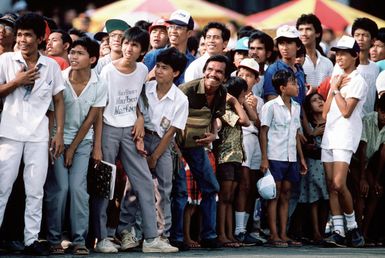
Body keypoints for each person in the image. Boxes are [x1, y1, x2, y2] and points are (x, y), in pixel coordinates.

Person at [92, 26, 178, 253]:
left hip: (131, 133)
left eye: (135, 45)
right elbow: (99, 109)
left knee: (145, 185)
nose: (129, 48)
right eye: (127, 43)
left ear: (142, 50)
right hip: (108, 130)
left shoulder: (142, 70)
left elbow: (139, 98)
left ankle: (151, 239)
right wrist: (98, 145)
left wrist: (139, 118)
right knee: (104, 186)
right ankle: (101, 238)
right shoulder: (108, 71)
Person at [0, 13, 65, 256]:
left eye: (28, 35)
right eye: (19, 35)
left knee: (35, 190)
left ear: (40, 38)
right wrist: (17, 81)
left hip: (39, 135)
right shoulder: (6, 60)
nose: (22, 40)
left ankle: (31, 240)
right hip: (9, 133)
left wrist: (57, 134)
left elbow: (59, 100)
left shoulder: (50, 66)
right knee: (2, 188)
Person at [44, 37, 107, 255]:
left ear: (92, 59)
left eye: (80, 53)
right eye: (72, 52)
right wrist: (54, 141)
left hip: (82, 142)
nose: (73, 57)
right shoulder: (60, 78)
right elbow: (52, 112)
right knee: (60, 189)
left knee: (78, 189)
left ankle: (80, 239)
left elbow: (92, 119)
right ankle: (55, 238)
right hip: (56, 140)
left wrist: (83, 147)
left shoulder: (100, 83)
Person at [171, 55, 230, 249]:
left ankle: (208, 235)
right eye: (210, 69)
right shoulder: (186, 90)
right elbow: (169, 120)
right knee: (180, 192)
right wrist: (176, 151)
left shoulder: (222, 92)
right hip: (175, 145)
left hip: (196, 146)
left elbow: (215, 117)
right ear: (204, 71)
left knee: (211, 187)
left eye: (219, 71)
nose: (213, 74)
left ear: (225, 77)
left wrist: (214, 135)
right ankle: (177, 238)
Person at [321, 35, 367, 248]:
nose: (339, 57)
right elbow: (324, 113)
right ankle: (338, 231)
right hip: (329, 134)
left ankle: (353, 227)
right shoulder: (336, 76)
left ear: (355, 56)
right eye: (337, 53)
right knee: (332, 186)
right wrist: (334, 87)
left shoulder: (358, 80)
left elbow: (347, 111)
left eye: (344, 54)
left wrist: (337, 88)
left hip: (345, 135)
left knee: (339, 183)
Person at [139, 47, 188, 242]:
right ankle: (131, 232)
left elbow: (171, 133)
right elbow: (138, 114)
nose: (158, 71)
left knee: (163, 190)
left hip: (162, 145)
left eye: (164, 68)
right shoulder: (146, 89)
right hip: (140, 139)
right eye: (157, 66)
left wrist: (154, 157)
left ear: (175, 73)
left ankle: (162, 234)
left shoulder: (180, 99)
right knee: (134, 187)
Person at [260, 70, 307, 248]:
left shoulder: (296, 107)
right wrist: (264, 158)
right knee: (274, 195)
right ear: (282, 88)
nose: (297, 86)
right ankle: (273, 233)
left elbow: (295, 133)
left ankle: (283, 232)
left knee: (286, 195)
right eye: (293, 83)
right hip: (274, 155)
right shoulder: (270, 106)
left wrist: (301, 158)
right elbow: (263, 132)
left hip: (291, 156)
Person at [214, 77, 250, 247]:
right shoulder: (225, 108)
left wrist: (242, 103)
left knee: (231, 199)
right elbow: (245, 121)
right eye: (243, 94)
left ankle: (230, 235)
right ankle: (221, 234)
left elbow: (252, 118)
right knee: (224, 198)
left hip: (236, 157)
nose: (245, 97)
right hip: (225, 157)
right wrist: (235, 101)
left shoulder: (234, 108)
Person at [234, 58, 264, 245]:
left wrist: (252, 106)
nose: (244, 78)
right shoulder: (231, 96)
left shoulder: (259, 100)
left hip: (256, 142)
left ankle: (246, 227)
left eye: (249, 75)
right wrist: (243, 103)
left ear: (256, 79)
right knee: (243, 184)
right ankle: (239, 229)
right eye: (241, 74)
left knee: (252, 186)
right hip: (242, 139)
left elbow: (261, 126)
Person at [352, 94, 385, 245]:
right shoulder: (368, 120)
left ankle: (365, 232)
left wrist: (376, 180)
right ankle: (357, 233)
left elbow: (383, 154)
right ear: (378, 109)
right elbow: (362, 151)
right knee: (361, 192)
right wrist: (363, 178)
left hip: (369, 163)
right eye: (384, 113)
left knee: (376, 192)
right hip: (355, 161)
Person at [298, 93, 329, 244]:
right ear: (309, 107)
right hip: (312, 162)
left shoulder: (330, 121)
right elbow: (304, 143)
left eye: (321, 99)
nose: (319, 102)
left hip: (328, 162)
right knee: (314, 198)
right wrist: (313, 135)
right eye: (314, 100)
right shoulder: (307, 125)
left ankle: (323, 231)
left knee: (326, 198)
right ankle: (315, 232)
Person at [333, 18, 379, 115]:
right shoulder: (342, 65)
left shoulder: (375, 67)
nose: (360, 39)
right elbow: (333, 89)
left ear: (373, 40)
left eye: (365, 35)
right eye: (357, 35)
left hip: (368, 119)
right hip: (348, 117)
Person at [143, 9, 195, 85]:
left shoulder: (193, 63)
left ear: (189, 33)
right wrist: (150, 76)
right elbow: (141, 84)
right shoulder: (153, 55)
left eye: (178, 27)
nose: (173, 31)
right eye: (171, 27)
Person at [263, 25, 306, 105]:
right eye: (281, 43)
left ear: (298, 46)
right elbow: (272, 100)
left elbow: (302, 102)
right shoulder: (273, 69)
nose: (285, 47)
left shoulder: (299, 69)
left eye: (289, 43)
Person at [296, 14, 333, 94]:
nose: (303, 33)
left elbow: (331, 89)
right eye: (300, 30)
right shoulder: (294, 61)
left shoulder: (327, 63)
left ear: (317, 33)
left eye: (308, 29)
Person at [248, 30, 274, 97]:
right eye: (252, 48)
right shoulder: (237, 75)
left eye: (259, 48)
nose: (254, 52)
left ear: (268, 53)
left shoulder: (272, 77)